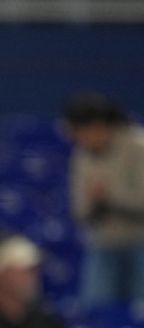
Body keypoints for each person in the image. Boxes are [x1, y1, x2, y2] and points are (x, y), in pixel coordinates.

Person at [64, 91, 144, 306]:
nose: (80, 138)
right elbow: (79, 211)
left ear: (99, 125)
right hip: (103, 243)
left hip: (140, 242)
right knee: (95, 309)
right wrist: (95, 203)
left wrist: (111, 197)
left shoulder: (138, 146)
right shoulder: (81, 155)